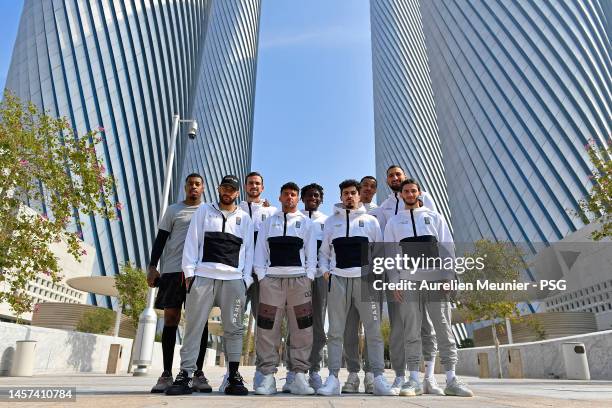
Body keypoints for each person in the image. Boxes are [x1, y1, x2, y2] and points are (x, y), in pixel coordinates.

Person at [384, 178, 473, 397]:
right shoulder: (394, 223)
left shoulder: (434, 217)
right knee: (411, 330)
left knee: (443, 326)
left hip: (436, 280)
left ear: (419, 193)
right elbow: (390, 255)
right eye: (406, 191)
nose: (410, 194)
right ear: (401, 195)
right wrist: (395, 282)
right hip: (408, 281)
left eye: (413, 190)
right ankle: (413, 380)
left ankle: (451, 379)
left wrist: (449, 275)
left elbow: (447, 247)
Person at [166, 175, 254, 396]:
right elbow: (192, 242)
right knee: (194, 327)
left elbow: (249, 252)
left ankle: (233, 377)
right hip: (203, 277)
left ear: (237, 193)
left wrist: (246, 280)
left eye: (232, 189)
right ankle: (185, 375)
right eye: (225, 187)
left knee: (234, 329)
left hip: (234, 280)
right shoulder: (204, 211)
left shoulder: (245, 218)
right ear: (219, 189)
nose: (228, 192)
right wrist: (189, 273)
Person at [317, 179, 394, 396]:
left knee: (374, 331)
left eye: (353, 193)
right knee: (335, 332)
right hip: (338, 280)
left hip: (365, 281)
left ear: (359, 196)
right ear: (341, 197)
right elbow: (324, 252)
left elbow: (380, 253)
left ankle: (377, 377)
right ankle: (333, 378)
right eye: (345, 193)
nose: (349, 196)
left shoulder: (371, 221)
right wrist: (325, 271)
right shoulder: (331, 222)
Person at [370, 165, 439, 395]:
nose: (395, 178)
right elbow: (383, 240)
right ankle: (401, 376)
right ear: (387, 181)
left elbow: (435, 234)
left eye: (398, 174)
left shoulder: (426, 199)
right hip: (399, 276)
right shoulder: (384, 209)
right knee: (399, 326)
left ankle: (429, 376)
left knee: (427, 325)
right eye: (391, 176)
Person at [148, 173, 211, 393]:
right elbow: (161, 239)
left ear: (203, 188)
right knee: (171, 319)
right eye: (190, 184)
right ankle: (166, 374)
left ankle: (197, 373)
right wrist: (152, 266)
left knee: (199, 322)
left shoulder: (209, 211)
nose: (193, 187)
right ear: (185, 187)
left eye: (197, 184)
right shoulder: (173, 210)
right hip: (173, 271)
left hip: (198, 272)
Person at [253, 182, 317, 395]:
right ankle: (268, 377)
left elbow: (311, 253)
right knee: (267, 328)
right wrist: (262, 277)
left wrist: (308, 277)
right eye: (286, 194)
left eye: (293, 195)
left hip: (299, 281)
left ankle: (299, 376)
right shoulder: (268, 222)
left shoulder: (306, 223)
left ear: (298, 199)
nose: (290, 198)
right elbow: (260, 251)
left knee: (302, 329)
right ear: (280, 197)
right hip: (271, 281)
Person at [283, 183, 328, 391]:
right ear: (302, 198)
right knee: (296, 323)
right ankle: (292, 371)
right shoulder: (295, 219)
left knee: (317, 324)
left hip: (320, 278)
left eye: (317, 196)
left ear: (321, 199)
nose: (313, 198)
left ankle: (314, 371)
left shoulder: (327, 221)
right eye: (309, 195)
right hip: (298, 277)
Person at [238, 171, 277, 390]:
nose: (254, 186)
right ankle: (231, 372)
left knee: (265, 324)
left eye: (258, 183)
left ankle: (263, 373)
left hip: (263, 276)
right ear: (245, 187)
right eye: (251, 183)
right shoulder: (236, 210)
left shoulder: (271, 212)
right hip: (238, 274)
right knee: (233, 321)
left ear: (262, 187)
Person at [341, 176, 377, 393]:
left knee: (372, 329)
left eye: (371, 187)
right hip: (345, 279)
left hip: (368, 281)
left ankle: (372, 375)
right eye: (360, 188)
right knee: (348, 330)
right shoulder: (339, 218)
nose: (365, 190)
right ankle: (353, 374)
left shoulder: (377, 214)